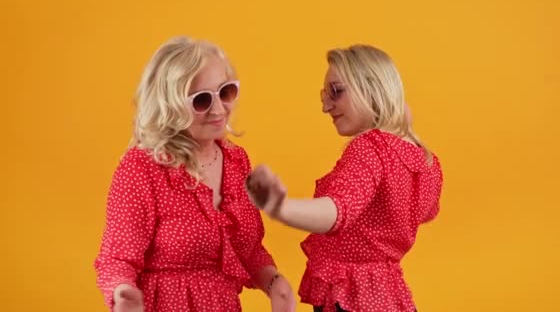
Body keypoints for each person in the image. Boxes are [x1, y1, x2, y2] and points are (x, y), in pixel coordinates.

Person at [94, 36, 296, 312]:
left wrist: (275, 284)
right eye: (201, 100)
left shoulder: (236, 161)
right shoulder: (142, 167)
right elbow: (117, 258)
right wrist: (123, 293)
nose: (218, 109)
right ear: (169, 104)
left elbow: (246, 249)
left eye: (225, 92)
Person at [246, 44, 443, 312]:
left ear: (373, 89)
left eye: (336, 92)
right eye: (324, 95)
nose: (326, 106)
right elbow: (427, 212)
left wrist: (280, 206)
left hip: (352, 298)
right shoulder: (425, 161)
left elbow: (337, 211)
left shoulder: (370, 148)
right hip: (391, 297)